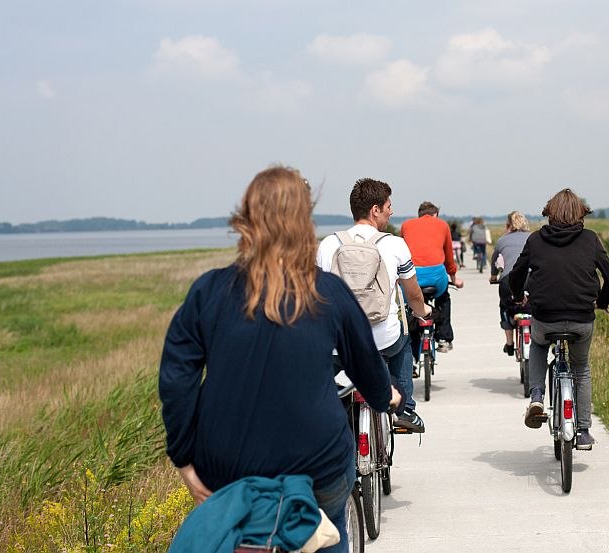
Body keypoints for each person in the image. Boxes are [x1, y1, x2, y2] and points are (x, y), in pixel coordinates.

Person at [159, 166, 402, 553]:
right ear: (305, 222)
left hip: (225, 466)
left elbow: (176, 380)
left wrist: (185, 460)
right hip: (317, 463)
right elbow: (366, 365)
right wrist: (386, 396)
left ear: (246, 220)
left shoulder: (209, 291)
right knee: (331, 524)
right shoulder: (329, 292)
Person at [317, 178, 432, 433]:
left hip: (340, 344)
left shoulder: (328, 245)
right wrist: (423, 311)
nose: (391, 211)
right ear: (375, 210)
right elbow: (413, 294)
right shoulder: (394, 244)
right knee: (403, 340)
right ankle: (405, 410)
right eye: (388, 206)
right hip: (383, 338)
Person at [508, 189, 609, 450]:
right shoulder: (590, 239)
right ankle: (583, 431)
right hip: (581, 319)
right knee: (580, 368)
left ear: (550, 213)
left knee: (537, 345)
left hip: (545, 318)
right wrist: (601, 302)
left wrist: (517, 295)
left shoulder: (535, 240)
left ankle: (536, 396)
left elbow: (516, 274)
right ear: (581, 214)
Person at [400, 201, 465, 353]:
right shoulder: (442, 225)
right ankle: (444, 338)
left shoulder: (406, 225)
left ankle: (411, 354)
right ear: (435, 215)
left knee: (410, 307)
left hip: (412, 277)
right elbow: (449, 257)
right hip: (436, 277)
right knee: (443, 298)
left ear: (420, 214)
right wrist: (454, 278)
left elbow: (400, 254)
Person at [489, 211, 532, 356]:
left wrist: (494, 276)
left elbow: (494, 261)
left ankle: (509, 343)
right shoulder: (533, 238)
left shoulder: (502, 240)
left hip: (509, 280)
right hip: (531, 278)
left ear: (509, 225)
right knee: (536, 304)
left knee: (505, 306)